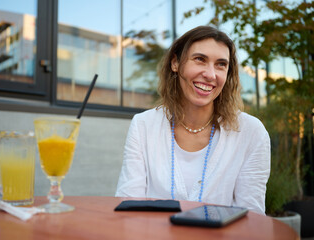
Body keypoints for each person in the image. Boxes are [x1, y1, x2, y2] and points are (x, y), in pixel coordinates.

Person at [115, 25, 271, 215]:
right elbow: (129, 206)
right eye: (199, 59)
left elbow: (251, 219)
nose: (210, 74)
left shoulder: (251, 132)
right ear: (175, 63)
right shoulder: (143, 125)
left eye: (221, 64)